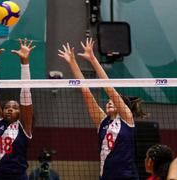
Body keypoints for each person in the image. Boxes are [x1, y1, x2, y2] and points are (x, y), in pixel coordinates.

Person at [58, 38, 147, 180]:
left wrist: (93, 59)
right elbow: (86, 91)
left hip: (127, 177)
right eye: (109, 102)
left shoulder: (126, 118)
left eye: (114, 101)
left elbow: (108, 88)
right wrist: (72, 62)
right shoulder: (102, 121)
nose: (110, 102)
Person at [0, 37, 35, 180]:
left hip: (18, 176)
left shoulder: (24, 126)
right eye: (6, 107)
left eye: (14, 107)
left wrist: (25, 63)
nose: (10, 109)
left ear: (21, 112)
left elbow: (25, 93)